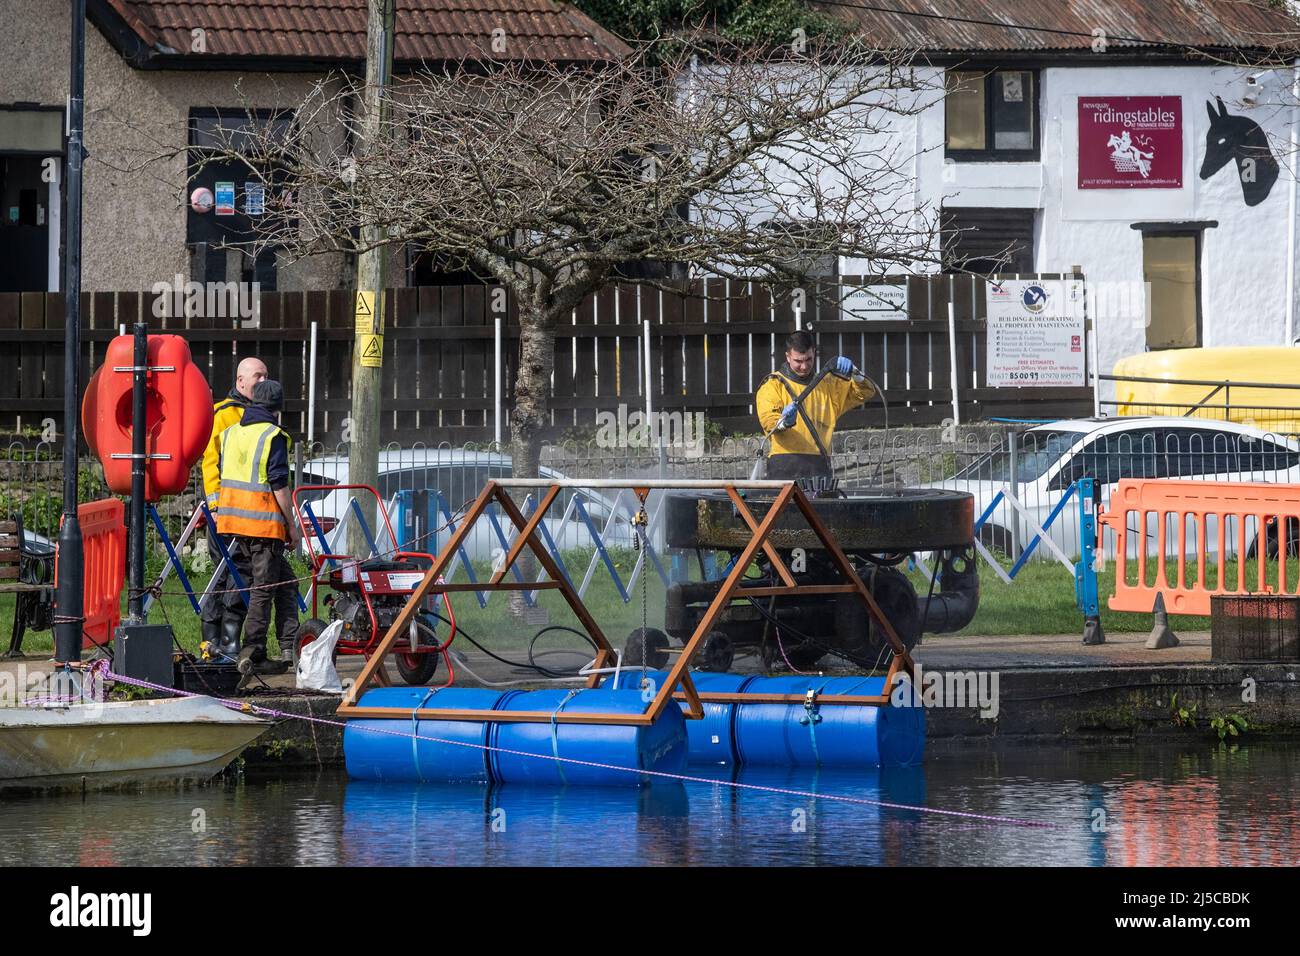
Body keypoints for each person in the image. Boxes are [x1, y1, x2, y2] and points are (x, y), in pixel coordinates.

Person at [215, 379, 302, 677]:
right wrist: (293, 525)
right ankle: (253, 652)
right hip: (263, 526)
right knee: (263, 590)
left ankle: (289, 644)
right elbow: (278, 484)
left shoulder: (231, 433)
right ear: (278, 408)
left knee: (284, 582)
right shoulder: (272, 435)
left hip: (234, 524)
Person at [199, 357, 267, 657]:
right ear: (240, 382)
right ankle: (213, 641)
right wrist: (215, 508)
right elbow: (210, 464)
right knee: (227, 573)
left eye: (266, 376)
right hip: (226, 513)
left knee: (242, 576)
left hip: (250, 515)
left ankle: (230, 641)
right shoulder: (224, 414)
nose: (263, 381)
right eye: (257, 376)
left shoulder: (259, 414)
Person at [755, 331, 875, 482]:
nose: (804, 366)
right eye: (798, 361)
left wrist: (855, 373)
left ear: (814, 353)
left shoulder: (828, 384)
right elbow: (768, 421)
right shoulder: (773, 384)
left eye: (808, 359)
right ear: (787, 357)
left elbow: (865, 392)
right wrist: (783, 422)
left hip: (819, 465)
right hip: (784, 464)